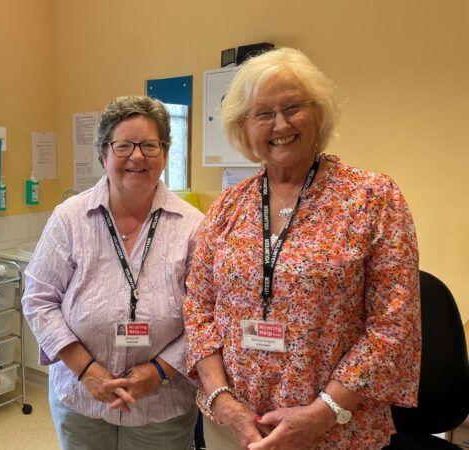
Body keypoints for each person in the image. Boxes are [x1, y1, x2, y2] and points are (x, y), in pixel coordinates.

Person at [184, 48, 420, 450]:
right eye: (263, 113)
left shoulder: (373, 198)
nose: (280, 124)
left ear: (319, 114)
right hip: (233, 427)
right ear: (244, 126)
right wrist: (224, 404)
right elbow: (198, 308)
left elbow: (393, 325)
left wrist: (322, 413)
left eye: (293, 107)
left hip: (335, 430)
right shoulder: (228, 206)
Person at [22, 95, 203, 449]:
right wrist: (87, 371)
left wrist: (159, 372)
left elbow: (206, 316)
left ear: (164, 154)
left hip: (161, 404)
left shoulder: (193, 227)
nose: (137, 156)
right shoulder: (70, 218)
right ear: (104, 154)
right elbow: (38, 299)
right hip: (82, 398)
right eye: (124, 146)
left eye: (149, 145)